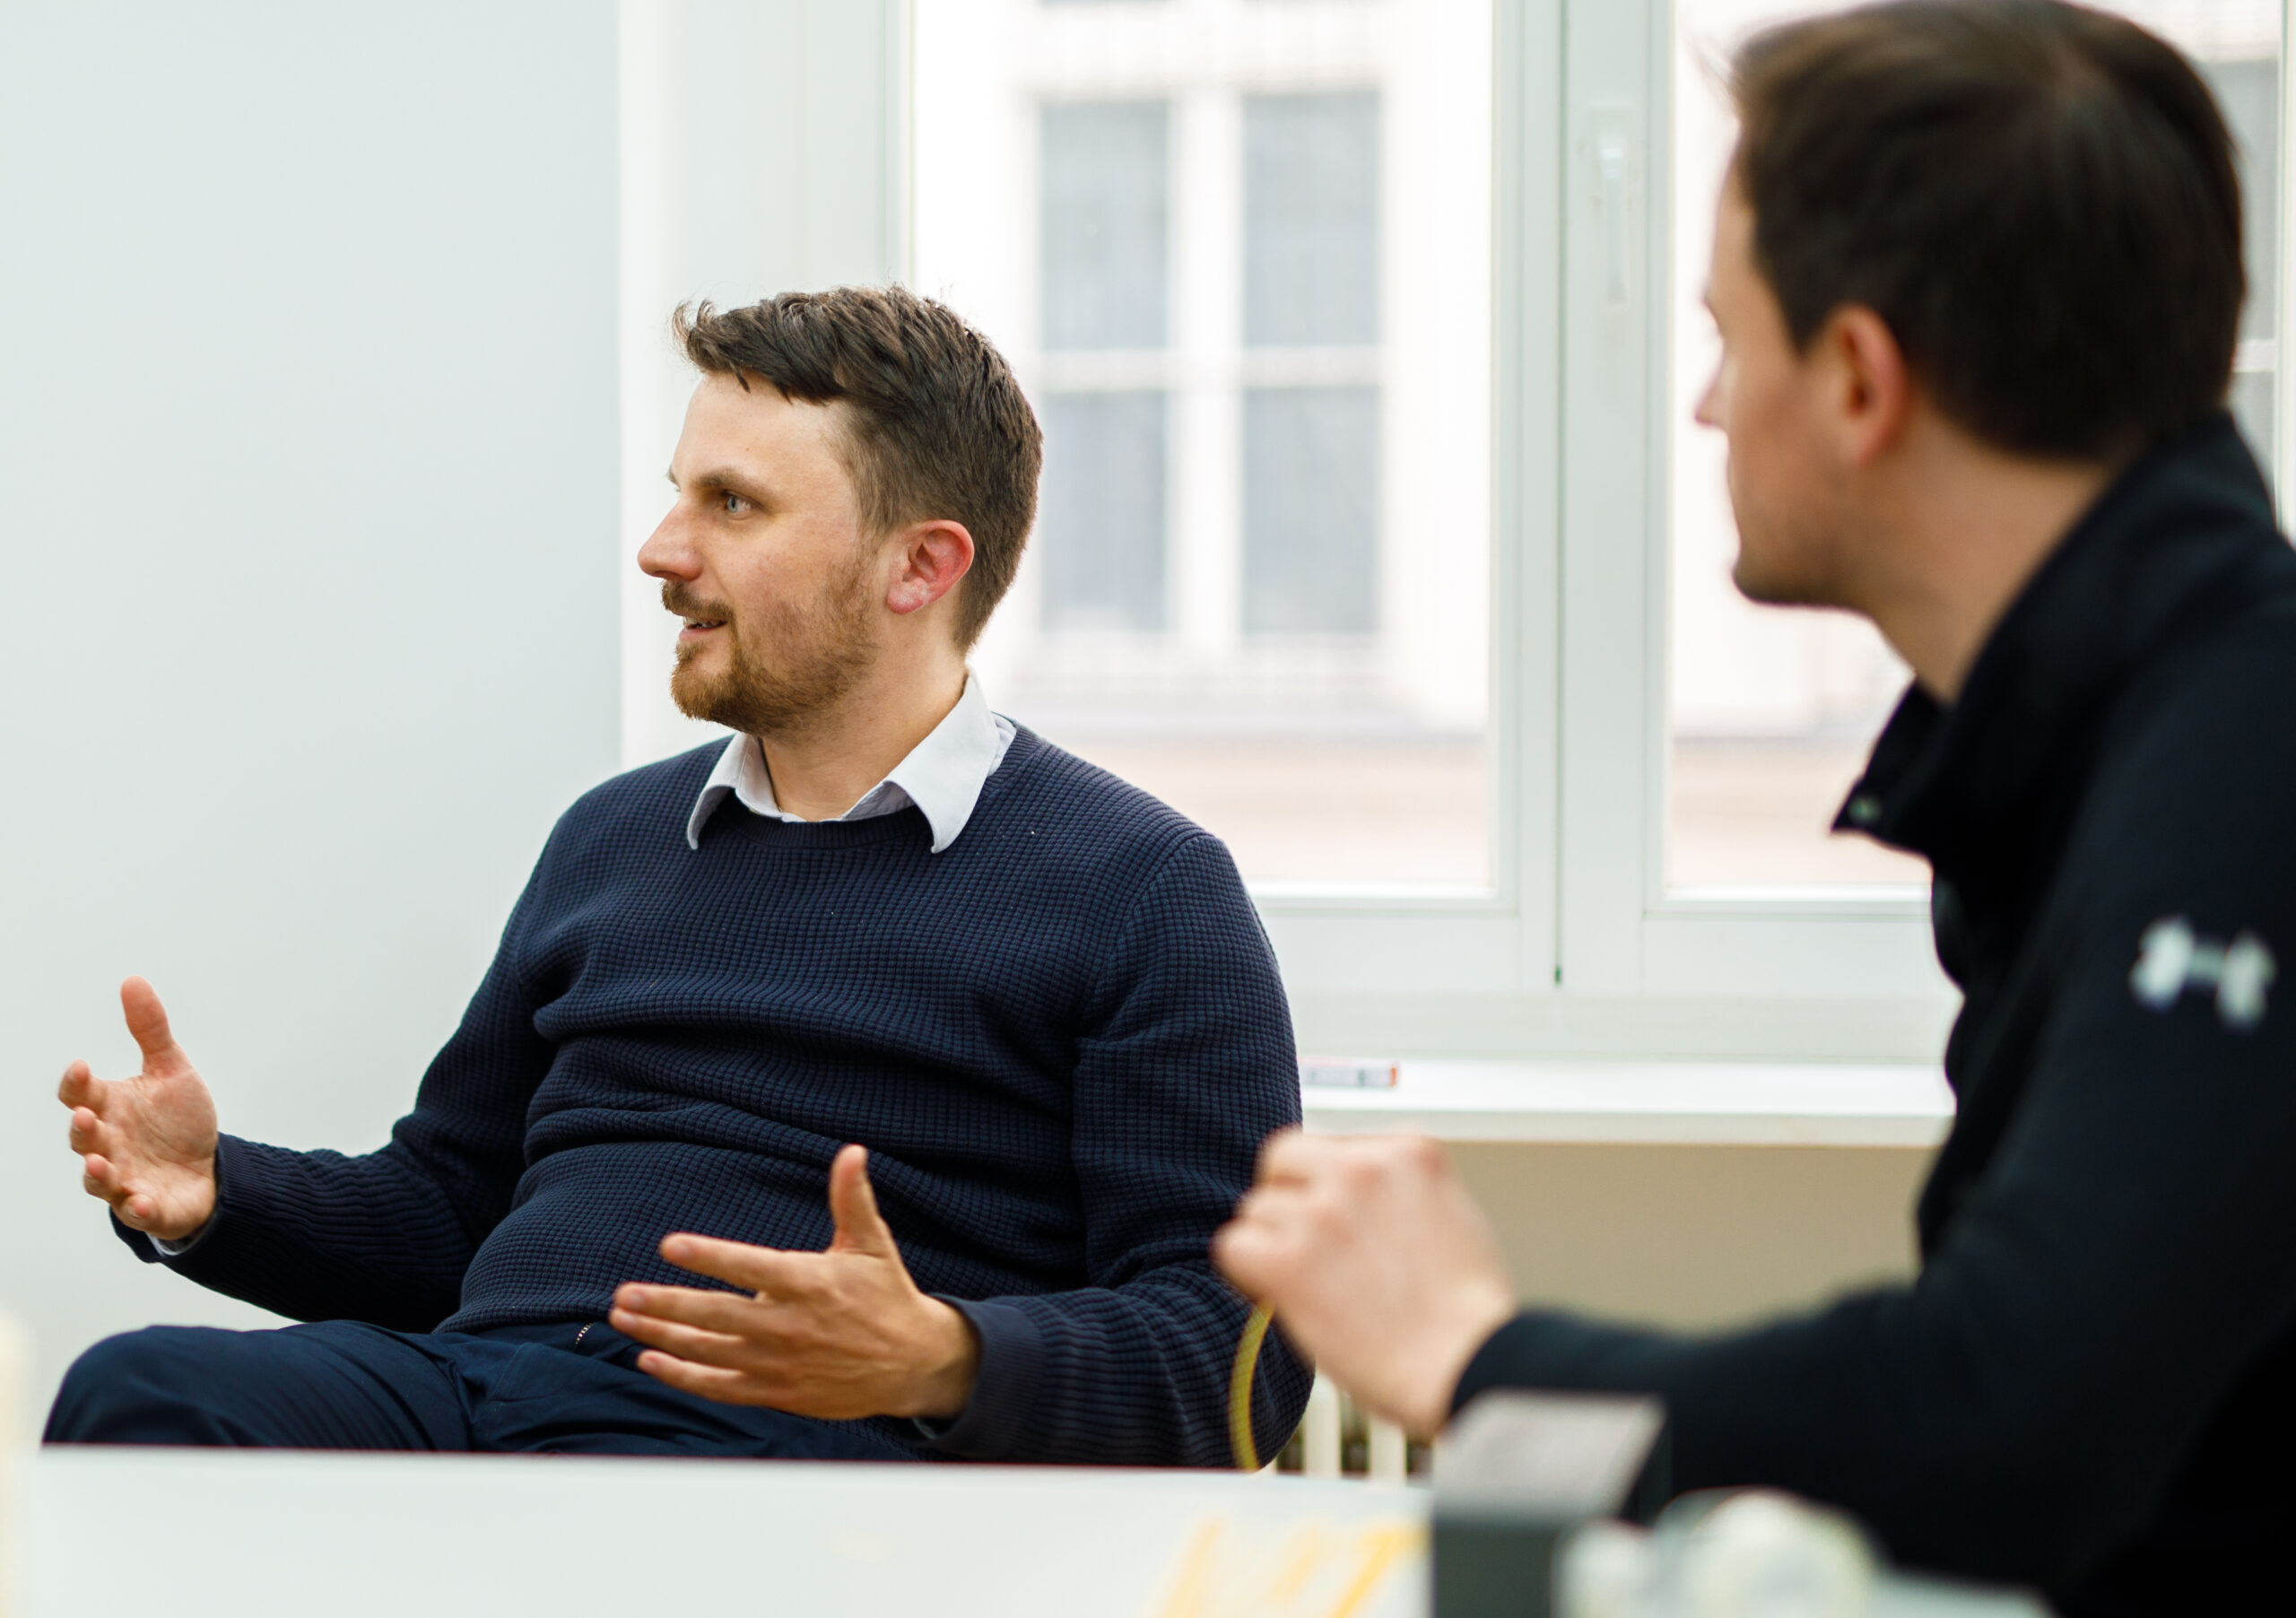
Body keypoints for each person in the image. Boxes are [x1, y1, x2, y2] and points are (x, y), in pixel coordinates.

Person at [1215, 3, 2295, 1610]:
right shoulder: (2128, 729)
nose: (1708, 407)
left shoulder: (2244, 756)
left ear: (1859, 380)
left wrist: (1475, 1351)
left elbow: (2014, 1412)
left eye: (1728, 336)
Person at [50, 286, 1309, 1467]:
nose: (662, 550)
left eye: (735, 505)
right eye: (678, 497)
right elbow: (448, 1209)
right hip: (481, 1395)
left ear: (920, 567)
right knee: (139, 1395)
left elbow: (1242, 1354)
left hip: (771, 1449)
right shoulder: (611, 840)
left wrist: (943, 1355)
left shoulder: (1143, 889)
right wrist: (220, 1194)